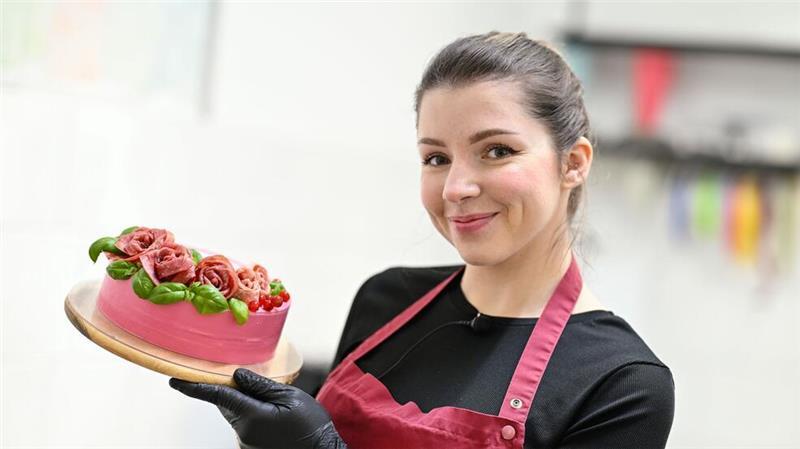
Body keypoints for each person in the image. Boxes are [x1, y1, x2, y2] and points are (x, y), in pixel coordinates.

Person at [170, 31, 675, 449]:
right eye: (436, 158)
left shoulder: (621, 383)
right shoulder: (385, 300)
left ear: (573, 163)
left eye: (497, 150)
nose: (457, 187)